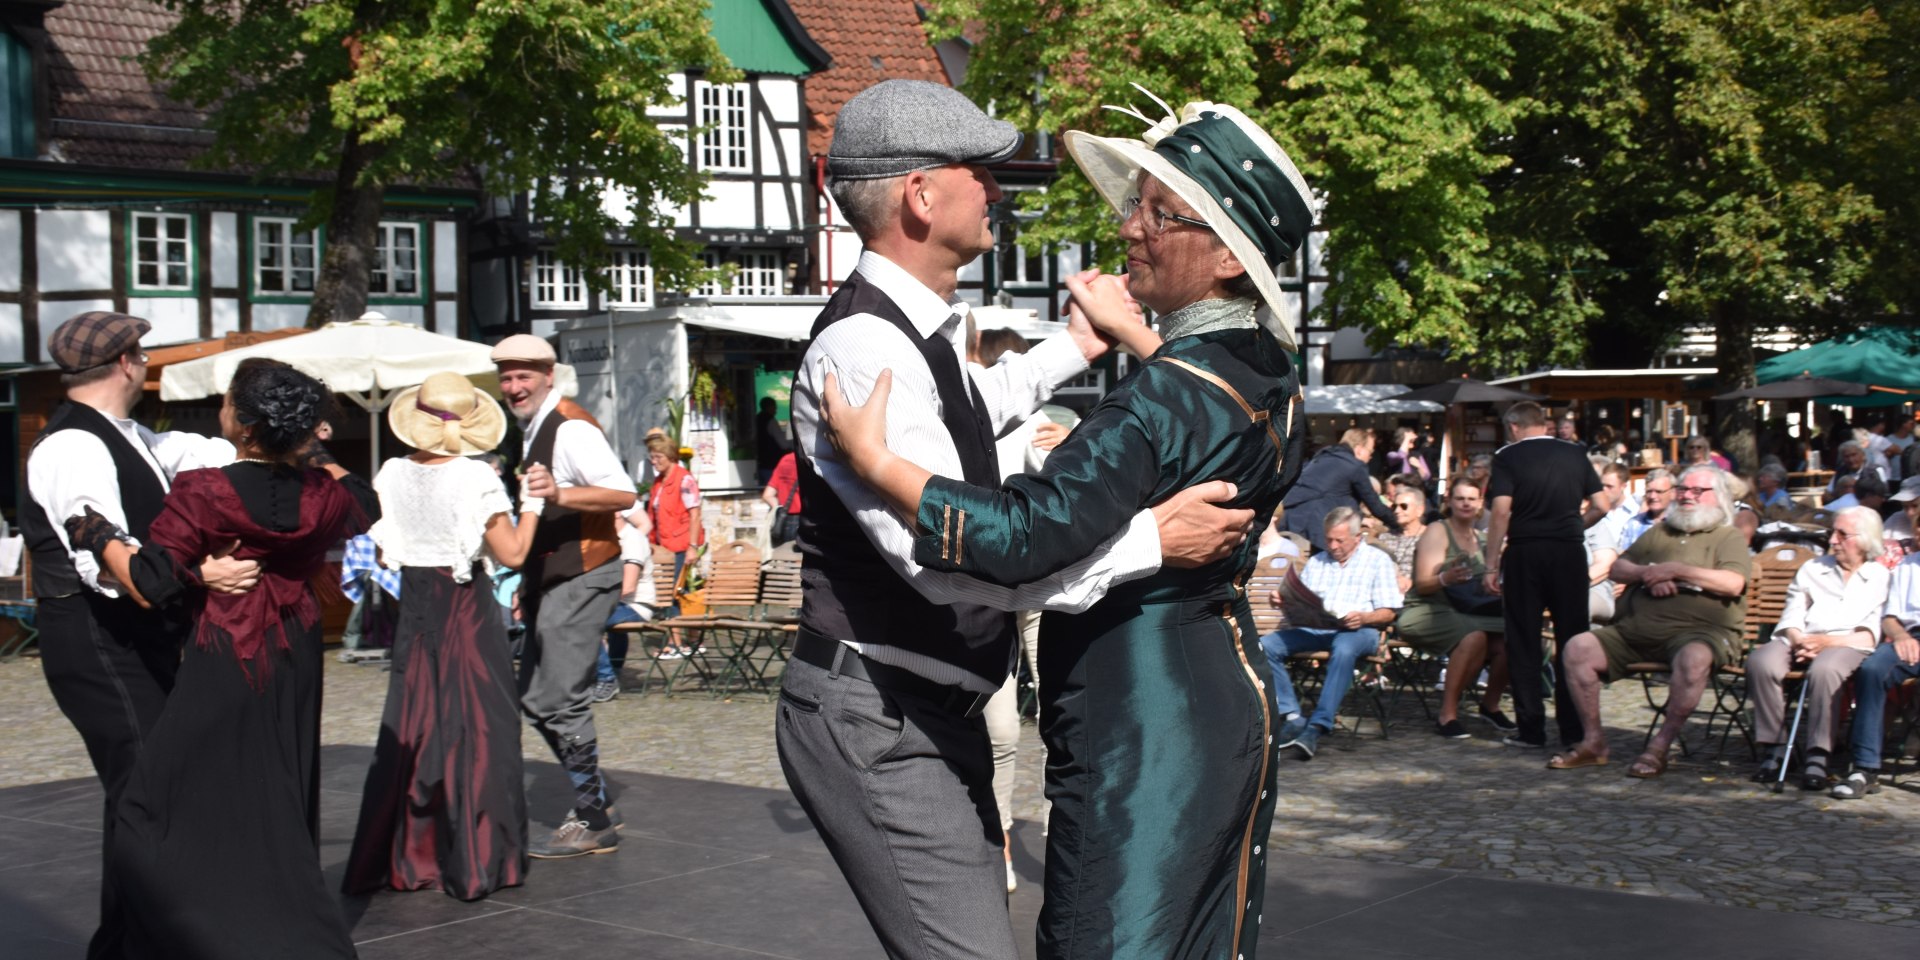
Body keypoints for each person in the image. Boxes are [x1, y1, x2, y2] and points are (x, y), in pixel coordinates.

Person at [801, 83, 1295, 960]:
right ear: (921, 194)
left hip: (1143, 718)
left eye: (1156, 214)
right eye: (979, 171)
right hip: (1184, 696)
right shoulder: (1266, 375)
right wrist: (1149, 528)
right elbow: (976, 551)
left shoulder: (1162, 392)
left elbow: (1021, 536)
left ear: (1224, 257)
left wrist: (883, 463)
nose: (1129, 229)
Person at [67, 359, 368, 958]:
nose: (221, 408)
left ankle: (211, 930)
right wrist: (313, 455)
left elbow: (152, 581)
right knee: (278, 788)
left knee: (156, 802)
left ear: (246, 427)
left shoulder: (206, 493)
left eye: (228, 401)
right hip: (298, 650)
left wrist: (95, 532)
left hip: (229, 652)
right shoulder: (325, 495)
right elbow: (367, 501)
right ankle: (274, 922)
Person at [19, 310, 256, 959]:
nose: (147, 362)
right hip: (95, 641)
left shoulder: (126, 436)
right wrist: (196, 572)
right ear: (128, 362)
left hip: (129, 636)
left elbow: (198, 452)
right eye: (143, 353)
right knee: (150, 788)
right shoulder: (72, 447)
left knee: (145, 790)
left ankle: (129, 942)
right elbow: (107, 562)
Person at [344, 371, 543, 900]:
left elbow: (385, 550)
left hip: (415, 604)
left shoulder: (390, 472)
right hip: (466, 606)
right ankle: (479, 860)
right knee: (480, 728)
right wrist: (535, 505)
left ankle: (412, 856)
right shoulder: (475, 477)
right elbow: (514, 554)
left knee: (416, 726)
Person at [491, 333, 638, 858]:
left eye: (523, 375)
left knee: (563, 698)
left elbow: (623, 493)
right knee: (534, 698)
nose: (514, 386)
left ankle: (594, 818)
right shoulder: (532, 427)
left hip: (585, 574)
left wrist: (560, 492)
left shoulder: (570, 426)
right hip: (552, 580)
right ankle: (594, 797)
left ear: (548, 375)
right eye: (506, 377)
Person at [1552, 465, 1751, 776]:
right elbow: (1618, 568)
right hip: (1636, 631)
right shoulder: (1660, 532)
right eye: (1683, 489)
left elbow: (1732, 583)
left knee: (1694, 658)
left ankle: (1660, 746)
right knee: (1578, 647)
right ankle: (1594, 742)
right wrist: (1649, 574)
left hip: (1699, 633)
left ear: (1719, 497)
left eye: (1697, 491)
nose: (1687, 496)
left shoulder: (1728, 537)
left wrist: (1676, 570)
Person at [1484, 400, 1606, 750]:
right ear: (1544, 425)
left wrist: (1492, 564)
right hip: (1568, 551)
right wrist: (1572, 527)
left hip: (1526, 550)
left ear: (1514, 427)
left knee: (1523, 639)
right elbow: (1602, 505)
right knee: (1574, 639)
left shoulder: (1507, 457)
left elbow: (1501, 511)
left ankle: (1531, 729)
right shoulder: (1575, 453)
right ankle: (1574, 730)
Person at [1747, 506, 1891, 790]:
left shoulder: (1879, 576)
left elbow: (1869, 633)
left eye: (1842, 534)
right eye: (1832, 533)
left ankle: (1818, 753)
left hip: (1847, 643)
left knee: (1825, 670)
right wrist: (1800, 639)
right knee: (1760, 662)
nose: (1833, 540)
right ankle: (1774, 745)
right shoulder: (1813, 568)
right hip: (1803, 639)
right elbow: (1792, 613)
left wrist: (1826, 643)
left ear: (1864, 540)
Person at [1262, 508, 1403, 760]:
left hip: (1360, 630)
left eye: (1340, 540)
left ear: (1357, 537)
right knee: (1266, 645)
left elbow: (1389, 613)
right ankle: (1292, 715)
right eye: (1328, 539)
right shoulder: (1318, 561)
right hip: (1319, 628)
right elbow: (1306, 603)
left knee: (1345, 648)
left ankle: (1318, 725)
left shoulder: (1376, 560)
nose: (1332, 545)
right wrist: (1284, 601)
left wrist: (1365, 616)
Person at [1396, 479, 1513, 739]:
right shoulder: (1438, 531)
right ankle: (1447, 714)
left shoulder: (1483, 539)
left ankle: (1490, 705)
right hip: (1426, 608)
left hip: (1469, 610)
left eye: (1471, 499)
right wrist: (1445, 578)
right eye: (1460, 498)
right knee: (1474, 636)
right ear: (1449, 501)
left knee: (1512, 637)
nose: (1466, 504)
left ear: (1480, 504)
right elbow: (1423, 584)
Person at [1833, 547, 1920, 798]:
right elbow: (1889, 618)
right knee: (1872, 669)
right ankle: (1865, 768)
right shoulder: (1907, 566)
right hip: (1912, 637)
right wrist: (1902, 636)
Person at [1283, 427, 1397, 552]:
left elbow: (1335, 494)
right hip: (1315, 529)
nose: (1370, 457)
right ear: (1359, 450)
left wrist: (1360, 517)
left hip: (1290, 521)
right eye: (1370, 452)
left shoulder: (1321, 458)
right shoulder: (1354, 466)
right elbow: (1375, 505)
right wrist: (1398, 523)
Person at [645, 433, 705, 658]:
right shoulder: (659, 482)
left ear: (669, 455)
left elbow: (695, 514)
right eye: (652, 456)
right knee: (680, 592)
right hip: (664, 547)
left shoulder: (684, 478)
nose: (654, 460)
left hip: (680, 545)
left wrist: (692, 546)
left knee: (674, 594)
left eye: (658, 456)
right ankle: (690, 640)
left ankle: (675, 643)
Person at [591, 502, 658, 701]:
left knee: (588, 623)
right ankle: (613, 670)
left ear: (617, 513)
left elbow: (628, 587)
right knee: (593, 616)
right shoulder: (610, 541)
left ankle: (606, 678)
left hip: (637, 605)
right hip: (619, 604)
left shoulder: (632, 540)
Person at [1616, 468, 1675, 551]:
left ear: (1672, 493)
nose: (1652, 496)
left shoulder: (1680, 523)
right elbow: (1623, 558)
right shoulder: (1633, 524)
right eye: (1649, 491)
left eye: (1658, 491)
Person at [761, 450, 802, 547]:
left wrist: (779, 508)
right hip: (806, 520)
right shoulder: (812, 462)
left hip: (784, 520)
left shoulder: (786, 460)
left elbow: (767, 495)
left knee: (785, 557)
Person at [755, 396, 789, 487]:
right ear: (769, 407)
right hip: (771, 464)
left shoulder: (756, 419)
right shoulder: (770, 421)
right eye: (774, 407)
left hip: (759, 463)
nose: (776, 410)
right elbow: (784, 444)